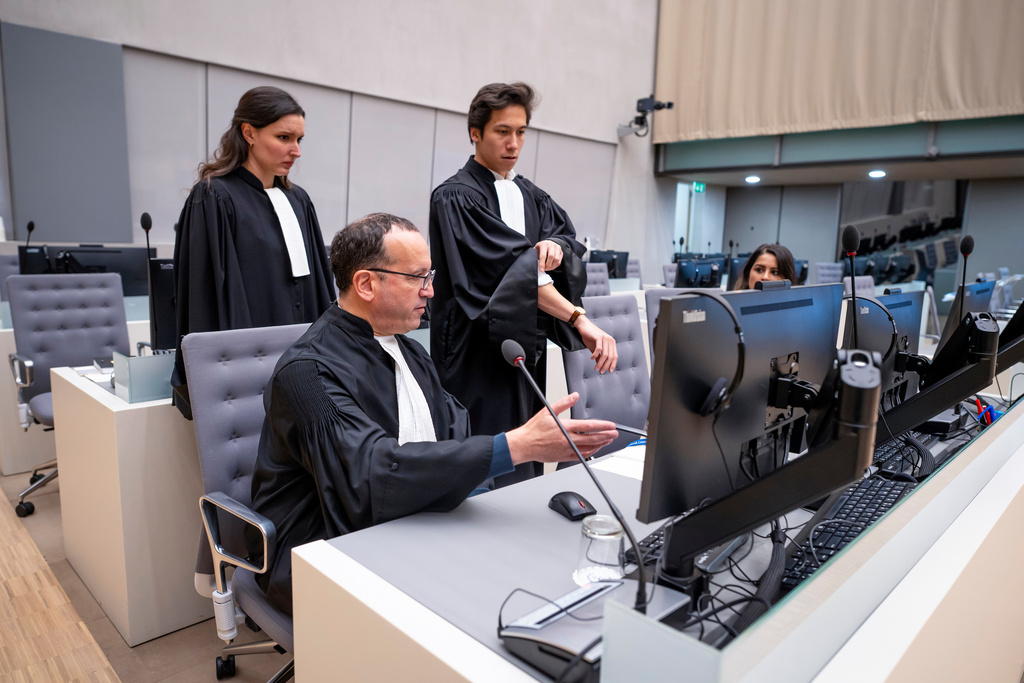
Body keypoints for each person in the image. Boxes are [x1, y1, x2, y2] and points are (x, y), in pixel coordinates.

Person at [248, 213, 618, 615]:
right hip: (319, 552)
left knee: (528, 569)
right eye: (417, 277)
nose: (430, 291)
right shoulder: (308, 372)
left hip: (409, 524)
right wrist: (515, 447)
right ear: (366, 284)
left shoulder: (409, 350)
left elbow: (453, 432)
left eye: (430, 275)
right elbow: (367, 480)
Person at [428, 82, 618, 486]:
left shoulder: (530, 194)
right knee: (483, 456)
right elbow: (509, 270)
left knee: (529, 446)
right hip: (475, 351)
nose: (513, 143)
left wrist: (555, 246)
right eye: (502, 131)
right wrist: (578, 317)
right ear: (475, 133)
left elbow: (567, 237)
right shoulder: (455, 198)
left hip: (524, 346)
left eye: (521, 132)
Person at [171, 86, 335, 417]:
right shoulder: (214, 198)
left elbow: (317, 290)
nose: (296, 151)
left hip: (300, 365)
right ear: (249, 133)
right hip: (246, 371)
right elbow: (205, 300)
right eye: (284, 137)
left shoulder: (298, 201)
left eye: (299, 140)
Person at [733, 243, 798, 290]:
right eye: (759, 270)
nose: (765, 277)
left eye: (775, 272)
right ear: (748, 273)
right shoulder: (731, 303)